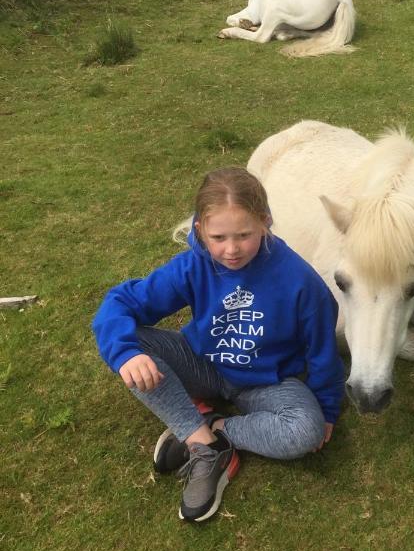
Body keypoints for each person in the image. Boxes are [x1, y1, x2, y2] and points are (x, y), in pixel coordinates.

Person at [92, 166, 344, 523]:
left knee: (306, 430)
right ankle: (202, 443)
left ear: (265, 222)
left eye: (244, 234)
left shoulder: (299, 280)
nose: (231, 249)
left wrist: (328, 408)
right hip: (204, 365)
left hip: (267, 383)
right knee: (130, 345)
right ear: (200, 230)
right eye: (218, 237)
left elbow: (323, 349)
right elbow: (119, 304)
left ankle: (215, 430)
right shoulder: (194, 264)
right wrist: (126, 353)